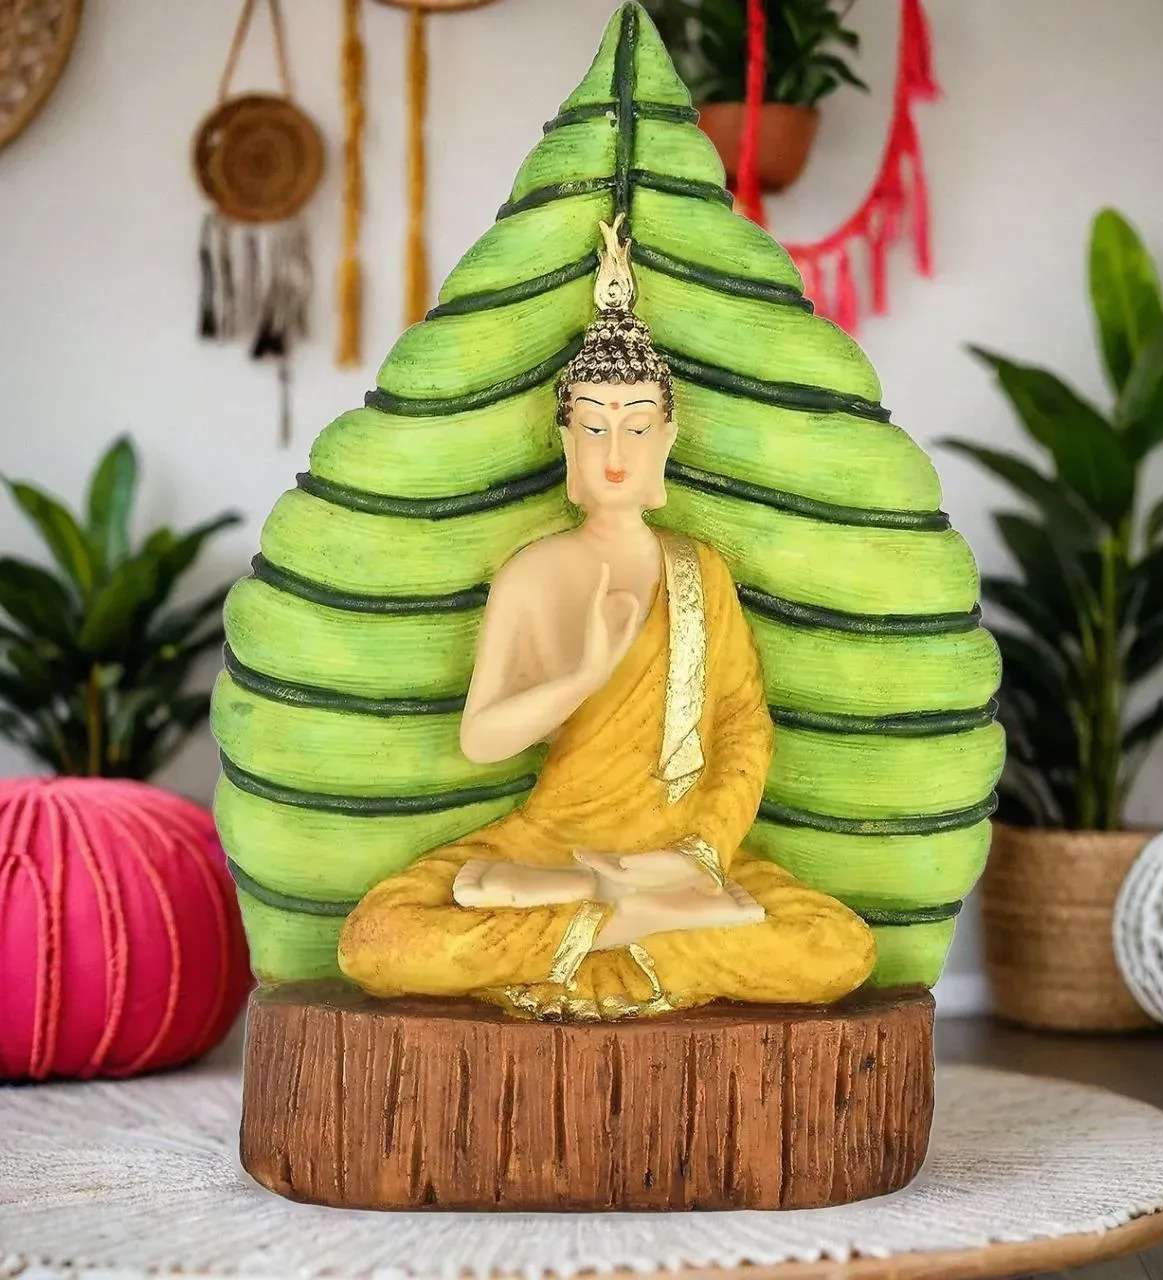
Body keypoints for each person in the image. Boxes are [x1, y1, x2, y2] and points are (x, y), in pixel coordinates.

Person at [338, 217, 874, 1019]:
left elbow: (742, 728)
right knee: (379, 938)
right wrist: (579, 678)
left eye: (636, 426)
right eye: (593, 426)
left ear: (667, 440)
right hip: (551, 840)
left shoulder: (699, 572)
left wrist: (699, 856)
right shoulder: (533, 573)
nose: (614, 451)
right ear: (566, 443)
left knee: (837, 947)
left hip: (675, 853)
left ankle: (592, 926)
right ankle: (626, 922)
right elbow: (481, 738)